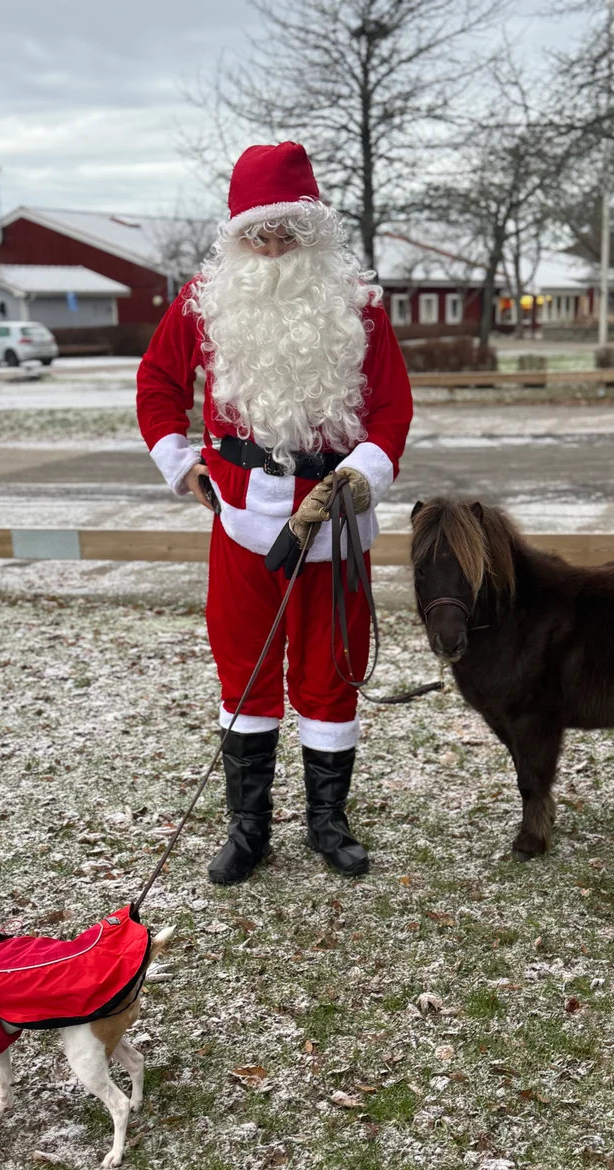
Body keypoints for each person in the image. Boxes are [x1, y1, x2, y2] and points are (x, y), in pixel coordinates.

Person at [137, 141, 413, 886]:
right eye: (257, 234)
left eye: (287, 232)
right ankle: (249, 827)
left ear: (313, 231)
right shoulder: (203, 303)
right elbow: (157, 382)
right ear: (237, 236)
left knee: (329, 672)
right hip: (240, 519)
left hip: (334, 525)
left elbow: (391, 409)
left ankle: (328, 823)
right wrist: (180, 462)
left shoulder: (359, 308)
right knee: (245, 670)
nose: (272, 247)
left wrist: (361, 475)